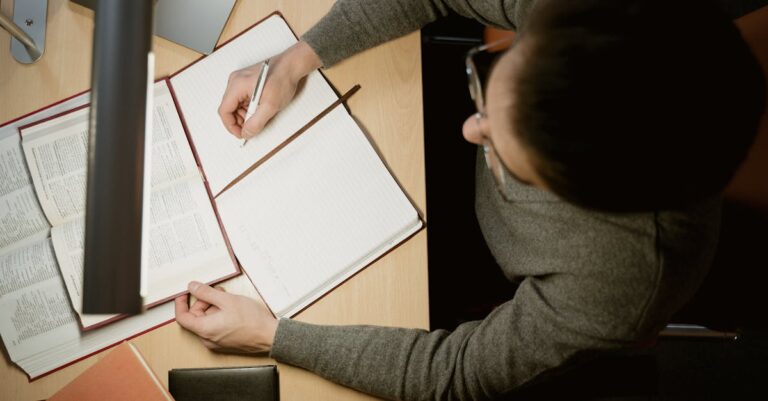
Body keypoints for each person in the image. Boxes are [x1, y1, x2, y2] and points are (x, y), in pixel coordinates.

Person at [175, 0, 766, 399]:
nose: (468, 129)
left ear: (578, 197)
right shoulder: (583, 15)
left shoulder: (618, 283)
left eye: (503, 150)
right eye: (488, 82)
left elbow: (456, 372)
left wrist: (274, 338)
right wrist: (296, 58)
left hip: (483, 279)